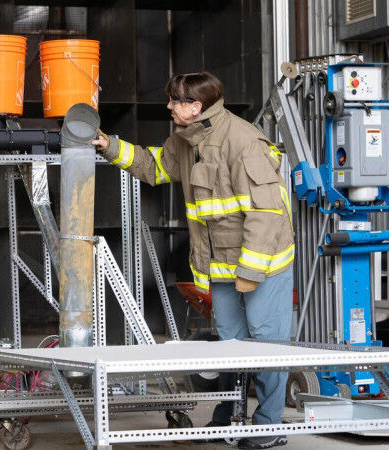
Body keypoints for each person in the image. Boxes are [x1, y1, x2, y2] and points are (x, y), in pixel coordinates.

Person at [92, 72, 294, 450]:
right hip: (220, 266)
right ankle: (230, 414)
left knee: (267, 346)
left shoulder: (243, 142)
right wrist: (109, 146)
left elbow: (267, 213)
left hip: (263, 263)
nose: (169, 106)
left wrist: (251, 272)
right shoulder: (186, 140)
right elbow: (155, 166)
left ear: (195, 107)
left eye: (174, 101)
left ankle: (268, 424)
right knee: (230, 346)